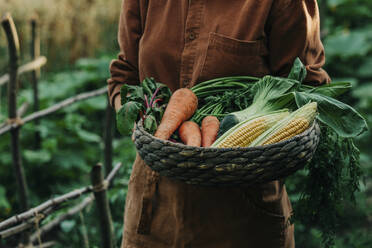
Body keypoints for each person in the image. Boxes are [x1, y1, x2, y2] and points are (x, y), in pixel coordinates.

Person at [108, 1, 330, 247]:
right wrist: (140, 120)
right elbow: (124, 76)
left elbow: (305, 87)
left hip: (242, 219)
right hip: (153, 211)